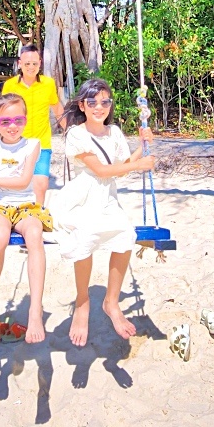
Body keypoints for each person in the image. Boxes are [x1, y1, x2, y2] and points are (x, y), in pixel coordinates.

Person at [49, 78, 156, 347]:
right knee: (84, 238)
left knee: (125, 236)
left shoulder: (115, 132)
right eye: (93, 102)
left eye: (105, 102)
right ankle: (82, 302)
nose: (99, 107)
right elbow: (101, 170)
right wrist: (138, 165)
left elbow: (121, 165)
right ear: (82, 106)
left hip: (107, 198)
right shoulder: (76, 134)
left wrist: (143, 147)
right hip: (83, 198)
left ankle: (111, 302)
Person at [0, 93, 49, 343]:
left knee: (35, 234)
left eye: (18, 120)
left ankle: (35, 310)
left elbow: (24, 181)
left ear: (25, 120)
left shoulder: (32, 144)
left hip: (25, 204)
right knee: (0, 235)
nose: (12, 126)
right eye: (5, 121)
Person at [1, 45, 64, 205]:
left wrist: (69, 130)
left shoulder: (48, 84)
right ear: (20, 63)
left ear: (40, 63)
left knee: (40, 184)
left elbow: (57, 108)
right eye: (27, 63)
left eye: (34, 63)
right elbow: (2, 112)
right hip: (15, 144)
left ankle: (39, 214)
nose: (31, 67)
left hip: (41, 143)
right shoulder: (9, 85)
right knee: (16, 185)